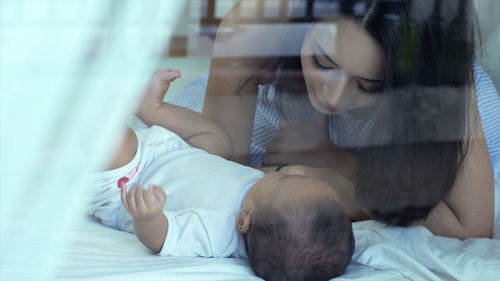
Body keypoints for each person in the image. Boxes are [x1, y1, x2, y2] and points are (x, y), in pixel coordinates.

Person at [170, 0, 497, 239]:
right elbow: (219, 179)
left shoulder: (441, 77)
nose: (334, 98)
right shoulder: (257, 24)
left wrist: (341, 176)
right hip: (282, 103)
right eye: (324, 62)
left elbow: (468, 226)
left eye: (369, 85)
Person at [87, 70, 355, 281]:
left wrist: (149, 217)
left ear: (244, 221)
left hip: (130, 182)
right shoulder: (263, 198)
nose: (296, 170)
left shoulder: (215, 233)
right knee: (220, 143)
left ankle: (79, 109)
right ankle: (151, 110)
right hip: (176, 153)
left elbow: (163, 239)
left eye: (286, 177)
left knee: (113, 140)